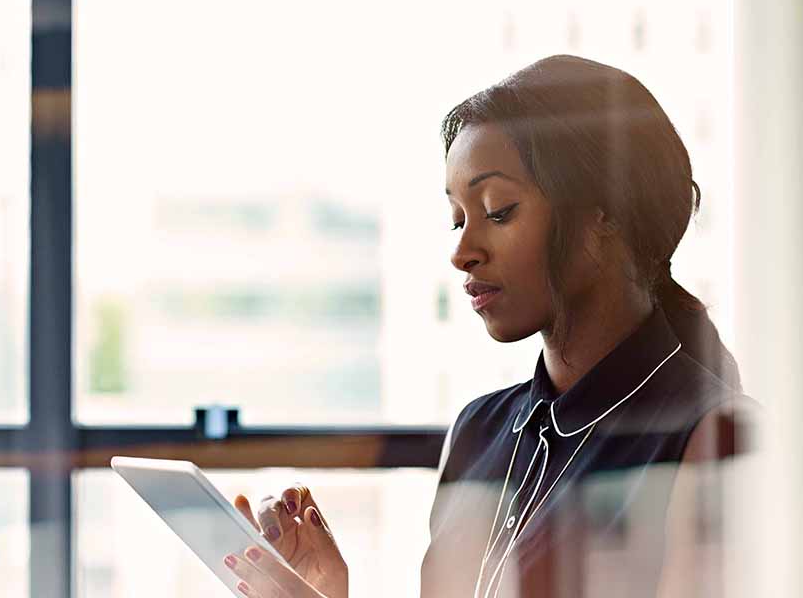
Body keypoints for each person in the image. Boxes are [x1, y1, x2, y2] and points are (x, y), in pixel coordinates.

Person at [222, 55, 757, 598]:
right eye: (458, 217)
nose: (461, 251)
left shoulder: (722, 438)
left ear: (607, 214)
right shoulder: (478, 431)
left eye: (498, 210)